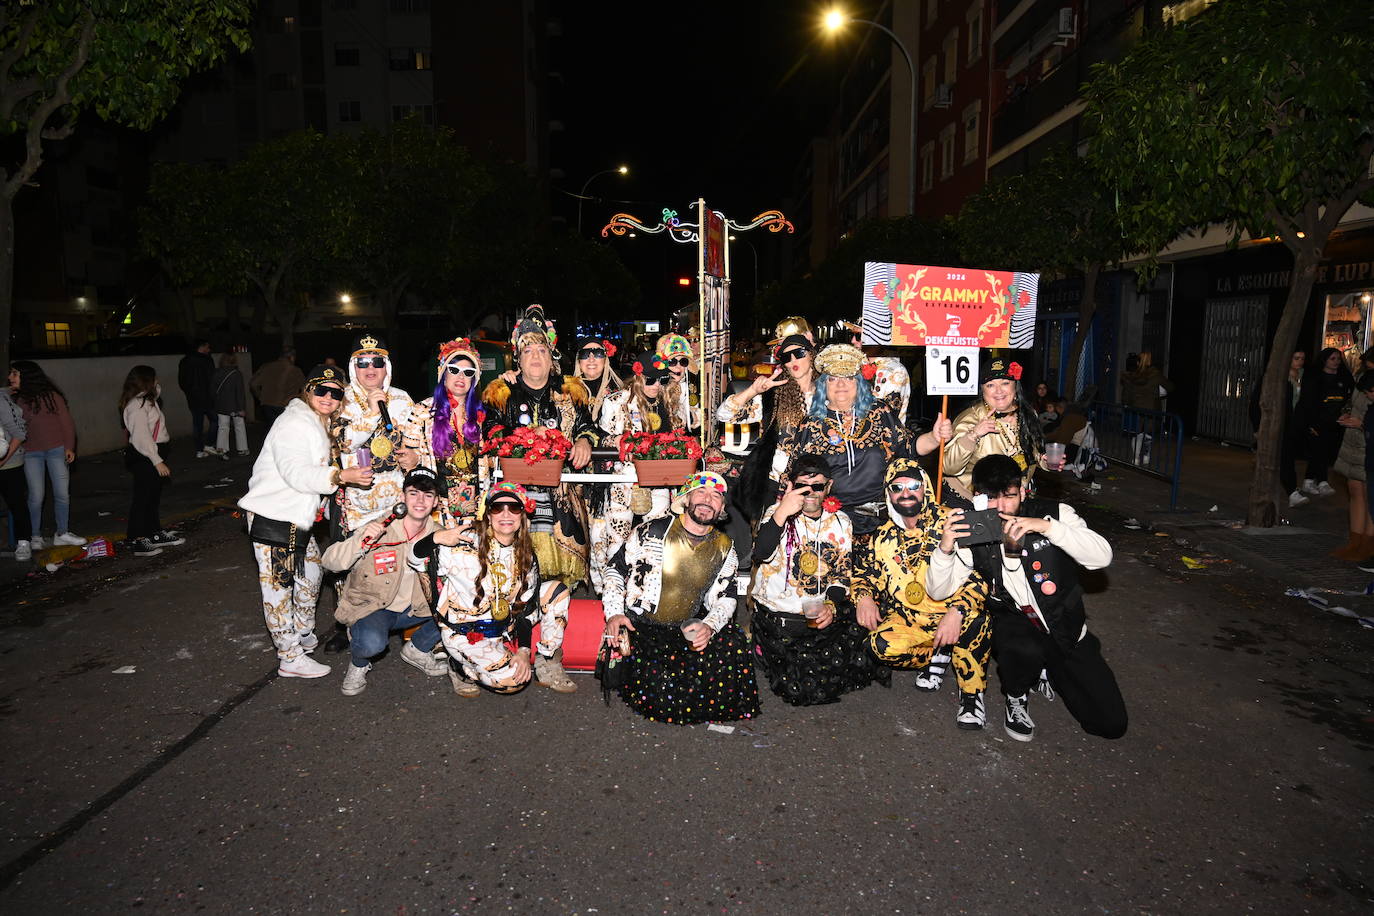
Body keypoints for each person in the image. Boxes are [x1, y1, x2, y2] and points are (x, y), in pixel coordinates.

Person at [928, 454, 1126, 743]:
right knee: (1020, 647)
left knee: (1110, 725)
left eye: (1008, 496)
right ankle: (1016, 695)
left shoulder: (1054, 514)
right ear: (978, 497)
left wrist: (1048, 528)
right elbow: (938, 591)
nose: (1001, 507)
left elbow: (1102, 557)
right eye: (990, 498)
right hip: (1017, 623)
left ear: (1022, 491)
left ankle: (1050, 670)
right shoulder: (975, 528)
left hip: (1065, 629)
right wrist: (945, 548)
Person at [239, 364, 372, 679]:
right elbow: (297, 474)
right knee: (278, 589)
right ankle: (289, 657)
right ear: (307, 390)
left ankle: (300, 632)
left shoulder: (318, 422)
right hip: (274, 516)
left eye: (335, 392)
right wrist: (340, 476)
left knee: (312, 573)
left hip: (295, 520)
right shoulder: (295, 422)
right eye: (321, 390)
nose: (328, 396)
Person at [603, 471, 759, 724]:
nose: (707, 500)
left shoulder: (724, 545)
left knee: (734, 645)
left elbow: (727, 597)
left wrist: (709, 626)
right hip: (643, 625)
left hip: (686, 625)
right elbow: (614, 570)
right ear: (686, 499)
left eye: (716, 496)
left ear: (721, 508)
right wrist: (614, 613)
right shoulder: (651, 530)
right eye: (701, 492)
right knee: (662, 700)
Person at [853, 459, 991, 730]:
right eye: (897, 487)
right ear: (888, 494)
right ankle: (939, 653)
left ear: (925, 487)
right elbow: (865, 575)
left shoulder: (955, 520)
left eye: (913, 485)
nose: (906, 493)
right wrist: (864, 597)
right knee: (879, 646)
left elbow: (982, 576)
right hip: (910, 618)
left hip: (954, 614)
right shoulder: (882, 535)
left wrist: (957, 611)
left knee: (976, 620)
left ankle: (972, 695)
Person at [751, 454, 888, 706]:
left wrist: (831, 606)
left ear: (829, 487)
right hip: (780, 619)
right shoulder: (776, 514)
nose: (811, 493)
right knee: (801, 689)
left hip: (817, 618)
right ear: (790, 485)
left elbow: (841, 573)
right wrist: (782, 513)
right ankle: (762, 648)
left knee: (864, 656)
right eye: (803, 486)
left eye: (818, 486)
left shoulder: (841, 521)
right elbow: (760, 553)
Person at [775, 343, 948, 537]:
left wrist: (934, 437)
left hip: (883, 522)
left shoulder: (880, 412)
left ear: (859, 383)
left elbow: (909, 448)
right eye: (833, 379)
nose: (841, 385)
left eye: (849, 378)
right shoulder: (811, 425)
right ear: (824, 385)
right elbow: (793, 477)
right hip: (832, 525)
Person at [482, 306, 599, 591]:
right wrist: (523, 437)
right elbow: (491, 430)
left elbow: (588, 426)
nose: (536, 357)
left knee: (561, 579)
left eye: (542, 351)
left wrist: (584, 441)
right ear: (518, 359)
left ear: (552, 357)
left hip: (563, 493)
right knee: (515, 575)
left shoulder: (572, 390)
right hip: (516, 491)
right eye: (528, 352)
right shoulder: (502, 392)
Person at [419, 482, 574, 696]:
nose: (506, 514)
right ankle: (459, 667)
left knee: (556, 591)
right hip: (467, 632)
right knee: (512, 682)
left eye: (514, 508)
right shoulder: (463, 545)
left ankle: (547, 660)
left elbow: (525, 610)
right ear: (488, 515)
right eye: (497, 508)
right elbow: (414, 559)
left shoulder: (525, 554)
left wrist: (523, 650)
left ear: (523, 516)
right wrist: (435, 538)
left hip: (504, 625)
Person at [322, 467, 449, 696]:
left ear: (436, 502)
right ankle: (359, 663)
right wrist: (360, 542)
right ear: (402, 497)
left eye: (428, 495)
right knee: (372, 643)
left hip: (417, 608)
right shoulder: (381, 528)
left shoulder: (439, 535)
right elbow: (330, 562)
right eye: (413, 493)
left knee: (465, 609)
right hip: (376, 607)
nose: (420, 500)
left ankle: (419, 649)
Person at [593, 351, 689, 587]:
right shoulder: (617, 402)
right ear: (638, 377)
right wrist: (616, 441)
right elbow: (601, 438)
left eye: (662, 379)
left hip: (659, 481)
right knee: (617, 541)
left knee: (656, 539)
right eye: (651, 379)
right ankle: (614, 590)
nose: (657, 385)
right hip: (623, 482)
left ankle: (647, 589)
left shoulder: (669, 402)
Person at [718, 327, 816, 518]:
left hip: (817, 486)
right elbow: (724, 416)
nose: (793, 360)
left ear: (811, 355)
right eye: (787, 357)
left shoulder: (829, 393)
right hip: (776, 486)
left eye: (798, 353)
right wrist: (753, 391)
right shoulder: (775, 396)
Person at [333, 334, 420, 535]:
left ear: (386, 367)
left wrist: (416, 458)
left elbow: (418, 441)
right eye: (362, 363)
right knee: (362, 564)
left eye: (377, 362)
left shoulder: (402, 398)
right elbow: (344, 443)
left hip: (398, 503)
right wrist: (372, 413)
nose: (370, 369)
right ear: (353, 367)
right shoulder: (341, 399)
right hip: (358, 507)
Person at [943, 354, 1049, 498]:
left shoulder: (1028, 414)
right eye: (990, 385)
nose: (999, 391)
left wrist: (1045, 462)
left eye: (1005, 383)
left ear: (1015, 386)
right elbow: (949, 467)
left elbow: (1032, 454)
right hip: (970, 499)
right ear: (983, 390)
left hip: (1013, 497)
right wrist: (973, 435)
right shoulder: (971, 418)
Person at [413, 338, 486, 528]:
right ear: (443, 374)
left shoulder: (483, 415)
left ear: (474, 380)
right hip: (438, 510)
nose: (461, 377)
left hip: (478, 510)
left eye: (468, 373)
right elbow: (411, 464)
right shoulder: (422, 412)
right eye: (454, 370)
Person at [10, 360, 84, 548]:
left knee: (62, 494)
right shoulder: (18, 400)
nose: (10, 377)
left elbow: (67, 423)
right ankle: (34, 536)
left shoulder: (52, 397)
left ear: (27, 376)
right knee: (36, 495)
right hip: (31, 453)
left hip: (56, 450)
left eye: (14, 374)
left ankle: (62, 533)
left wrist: (69, 447)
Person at [118, 366, 186, 557]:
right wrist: (156, 460)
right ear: (146, 381)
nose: (158, 381)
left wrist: (153, 387)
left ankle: (153, 533)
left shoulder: (148, 401)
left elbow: (156, 393)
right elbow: (141, 437)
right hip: (145, 455)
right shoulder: (137, 406)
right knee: (143, 498)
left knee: (152, 497)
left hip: (153, 452)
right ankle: (137, 539)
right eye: (154, 378)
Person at [1296, 347, 1354, 498]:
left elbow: (1350, 398)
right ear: (1324, 360)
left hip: (1337, 422)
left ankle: (1310, 481)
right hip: (1317, 421)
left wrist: (1346, 413)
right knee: (1319, 449)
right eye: (1332, 359)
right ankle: (1321, 481)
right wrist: (1311, 423)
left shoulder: (1344, 377)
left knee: (1325, 450)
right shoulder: (1315, 377)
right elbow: (1308, 402)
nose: (1336, 362)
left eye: (1338, 359)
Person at [1331, 370, 1374, 561]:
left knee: (1369, 494)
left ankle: (1368, 544)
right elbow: (1350, 400)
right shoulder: (1362, 379)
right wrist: (1346, 413)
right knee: (1355, 489)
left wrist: (1362, 424)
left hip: (1368, 443)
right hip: (1353, 442)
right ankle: (1355, 541)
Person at [1120, 350, 1175, 465]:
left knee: (1137, 434)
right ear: (1150, 361)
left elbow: (1126, 392)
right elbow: (1170, 387)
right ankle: (1146, 457)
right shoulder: (1155, 374)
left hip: (1135, 408)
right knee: (1148, 434)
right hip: (1151, 408)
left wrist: (1126, 403)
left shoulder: (1132, 374)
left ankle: (1135, 458)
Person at [0, 382, 30, 560]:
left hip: (9, 461)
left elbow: (19, 433)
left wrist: (4, 460)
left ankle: (23, 542)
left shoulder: (2, 400)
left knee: (16, 503)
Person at [655, 333, 703, 434]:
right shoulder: (654, 386)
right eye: (672, 361)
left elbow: (694, 426)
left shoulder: (690, 386)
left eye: (683, 362)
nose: (678, 367)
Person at [178, 340, 219, 458]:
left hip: (193, 399)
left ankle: (199, 450)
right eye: (207, 347)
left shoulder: (185, 361)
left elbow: (182, 382)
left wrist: (190, 392)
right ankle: (209, 444)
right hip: (207, 398)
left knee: (197, 424)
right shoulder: (207, 360)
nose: (209, 349)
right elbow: (212, 380)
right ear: (201, 347)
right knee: (215, 420)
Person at [249, 348, 305, 426]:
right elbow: (305, 389)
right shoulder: (295, 370)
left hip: (267, 405)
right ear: (292, 357)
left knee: (272, 429)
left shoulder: (266, 367)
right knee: (286, 430)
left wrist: (260, 397)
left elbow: (253, 384)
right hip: (286, 406)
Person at [211, 352, 249, 458]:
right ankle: (242, 449)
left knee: (223, 427)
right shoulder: (236, 373)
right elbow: (240, 392)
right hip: (235, 406)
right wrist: (242, 408)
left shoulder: (216, 373)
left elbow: (212, 391)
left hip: (221, 406)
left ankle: (222, 449)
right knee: (239, 426)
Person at [573, 337, 623, 416]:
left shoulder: (620, 392)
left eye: (598, 353)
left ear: (605, 359)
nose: (591, 359)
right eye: (585, 353)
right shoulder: (565, 392)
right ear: (579, 360)